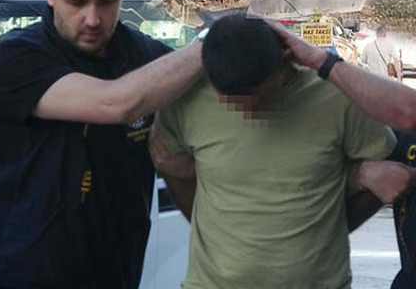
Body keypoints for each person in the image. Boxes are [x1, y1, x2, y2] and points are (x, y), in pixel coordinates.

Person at [0, 0, 205, 289]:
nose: (92, 18)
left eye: (106, 2)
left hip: (109, 275)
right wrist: (208, 45)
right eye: (77, 3)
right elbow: (114, 102)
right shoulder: (13, 59)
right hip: (6, 275)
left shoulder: (145, 57)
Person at [150, 16, 408, 289]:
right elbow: (172, 166)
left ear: (286, 64)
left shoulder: (336, 96)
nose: (247, 115)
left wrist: (328, 230)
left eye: (258, 99)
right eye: (231, 103)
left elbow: (389, 177)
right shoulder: (187, 98)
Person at [276, 23, 416, 288]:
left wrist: (323, 62)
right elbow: (382, 181)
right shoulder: (404, 139)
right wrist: (363, 174)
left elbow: (408, 111)